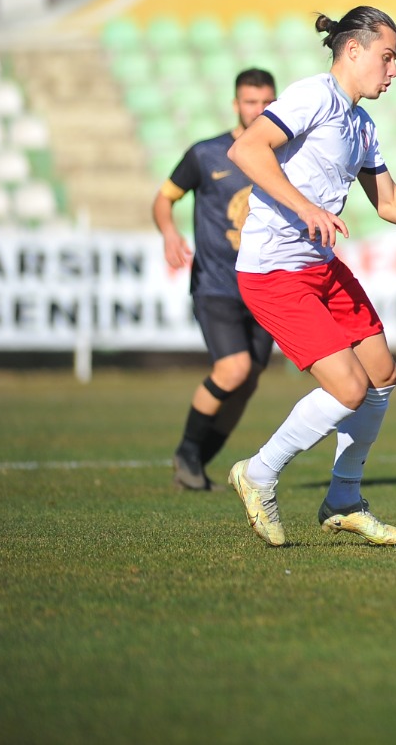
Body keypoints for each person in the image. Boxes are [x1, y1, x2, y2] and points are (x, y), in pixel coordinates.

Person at [224, 6, 396, 548]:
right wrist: (306, 208)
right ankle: (257, 473)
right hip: (274, 271)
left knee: (382, 375)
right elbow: (246, 149)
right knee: (349, 388)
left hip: (319, 266)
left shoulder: (361, 124)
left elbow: (390, 202)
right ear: (353, 50)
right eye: (387, 56)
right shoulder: (313, 97)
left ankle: (345, 498)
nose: (393, 70)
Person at [154, 69, 279, 491]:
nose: (258, 110)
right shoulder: (206, 154)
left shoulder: (286, 153)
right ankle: (187, 452)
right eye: (250, 102)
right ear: (235, 104)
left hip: (266, 285)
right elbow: (164, 197)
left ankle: (196, 463)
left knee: (249, 380)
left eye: (266, 102)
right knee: (234, 367)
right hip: (217, 284)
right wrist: (169, 232)